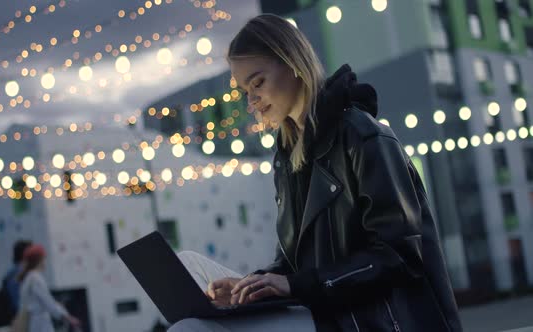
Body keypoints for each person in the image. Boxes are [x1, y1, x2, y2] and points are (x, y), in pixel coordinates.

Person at [169, 14, 463, 332]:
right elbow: (292, 265)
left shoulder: (363, 137)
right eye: (245, 91)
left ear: (292, 63)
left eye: (257, 83)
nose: (251, 101)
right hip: (319, 309)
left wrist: (294, 286)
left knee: (192, 330)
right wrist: (253, 286)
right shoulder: (288, 156)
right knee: (188, 267)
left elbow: (400, 255)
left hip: (365, 319)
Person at [17, 244, 81, 332]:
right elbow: (49, 304)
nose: (45, 262)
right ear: (39, 260)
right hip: (40, 324)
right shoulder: (36, 278)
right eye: (44, 258)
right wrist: (68, 317)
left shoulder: (27, 278)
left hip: (32, 323)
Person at [0, 240, 31, 328]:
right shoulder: (20, 274)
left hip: (16, 319)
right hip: (21, 320)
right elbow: (18, 301)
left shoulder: (11, 274)